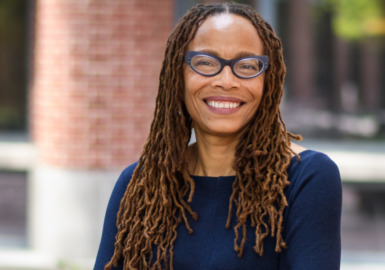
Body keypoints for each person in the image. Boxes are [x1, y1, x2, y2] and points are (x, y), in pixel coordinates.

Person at [94, 2, 341, 270]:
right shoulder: (140, 183)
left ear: (268, 81)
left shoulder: (307, 179)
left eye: (247, 65)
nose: (226, 80)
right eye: (205, 62)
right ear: (178, 75)